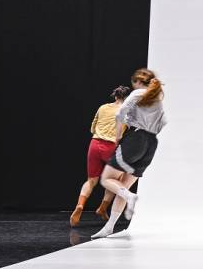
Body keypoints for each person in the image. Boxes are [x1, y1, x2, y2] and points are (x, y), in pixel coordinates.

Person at [91, 69, 166, 239]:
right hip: (151, 143)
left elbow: (120, 113)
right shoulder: (157, 98)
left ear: (138, 82)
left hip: (136, 139)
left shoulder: (138, 92)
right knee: (124, 185)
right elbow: (163, 122)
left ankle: (130, 197)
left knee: (107, 179)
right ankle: (110, 227)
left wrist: (118, 137)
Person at [70, 85, 131, 227]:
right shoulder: (127, 112)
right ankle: (103, 207)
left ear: (116, 96)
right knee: (116, 179)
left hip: (94, 144)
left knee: (91, 180)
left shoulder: (103, 107)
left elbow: (92, 127)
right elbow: (123, 132)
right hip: (110, 146)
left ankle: (80, 205)